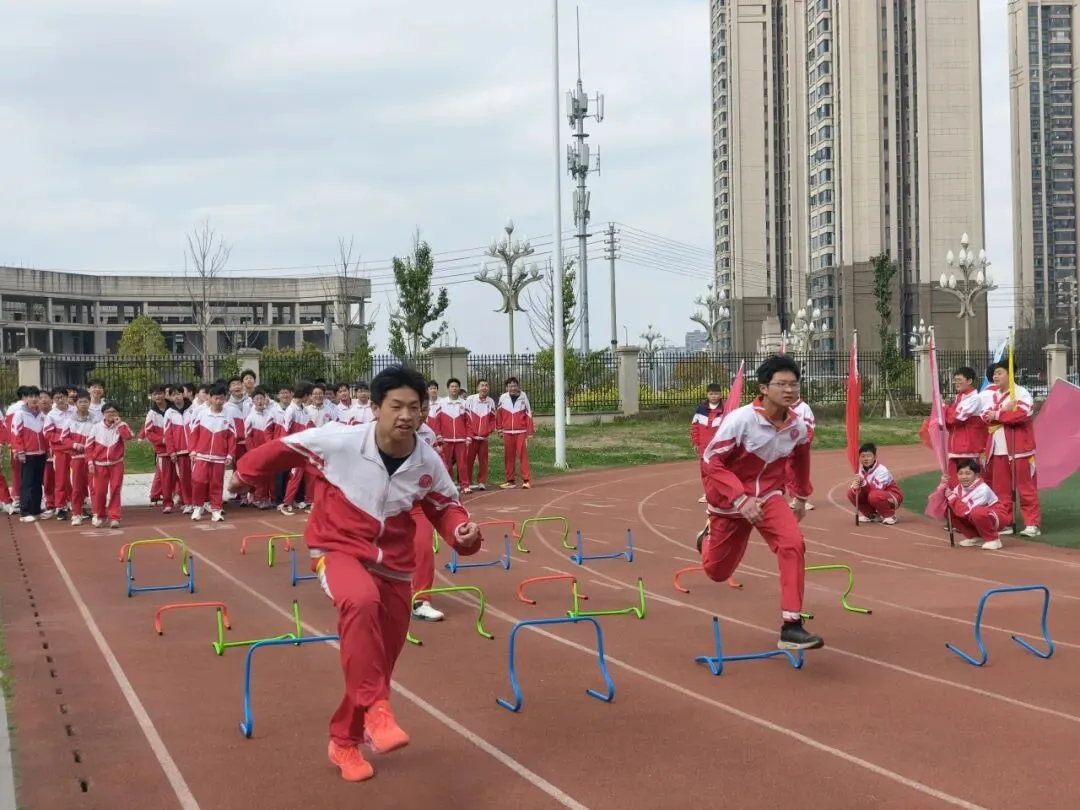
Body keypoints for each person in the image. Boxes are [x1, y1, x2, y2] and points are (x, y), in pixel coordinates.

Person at [228, 366, 482, 784]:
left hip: (395, 565)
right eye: (396, 406)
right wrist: (244, 475)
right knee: (360, 601)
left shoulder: (427, 460)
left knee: (375, 662)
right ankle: (377, 711)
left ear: (423, 411)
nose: (405, 415)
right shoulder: (340, 441)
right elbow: (284, 448)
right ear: (376, 408)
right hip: (339, 548)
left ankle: (344, 740)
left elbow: (445, 507)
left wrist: (462, 533)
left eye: (414, 407)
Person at [698, 354, 822, 650]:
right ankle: (705, 540)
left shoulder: (797, 427)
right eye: (782, 384)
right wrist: (740, 498)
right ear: (764, 388)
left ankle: (791, 626)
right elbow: (711, 461)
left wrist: (801, 496)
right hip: (729, 503)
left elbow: (801, 461)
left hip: (768, 496)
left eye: (794, 384)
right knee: (717, 573)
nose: (789, 390)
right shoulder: (741, 420)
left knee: (793, 543)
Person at [979, 362, 1040, 537]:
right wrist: (1003, 411)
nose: (995, 377)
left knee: (1025, 488)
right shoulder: (993, 395)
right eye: (994, 374)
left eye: (999, 373)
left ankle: (1032, 524)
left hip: (1019, 449)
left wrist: (998, 414)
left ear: (1010, 373)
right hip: (997, 450)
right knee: (1001, 490)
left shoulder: (1020, 392)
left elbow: (1023, 414)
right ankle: (1005, 521)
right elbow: (984, 416)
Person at [937, 458, 1008, 550]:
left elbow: (966, 511)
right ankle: (975, 537)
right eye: (960, 473)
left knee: (976, 512)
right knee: (948, 509)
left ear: (976, 475)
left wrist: (952, 497)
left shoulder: (983, 489)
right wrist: (943, 485)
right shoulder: (959, 488)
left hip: (997, 517)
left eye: (968, 473)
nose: (964, 477)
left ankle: (993, 539)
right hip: (977, 515)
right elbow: (943, 501)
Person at [188, 383, 236, 522]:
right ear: (210, 397)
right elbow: (194, 434)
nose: (219, 401)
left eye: (221, 398)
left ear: (225, 398)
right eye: (216, 398)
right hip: (201, 455)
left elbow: (232, 437)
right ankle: (197, 507)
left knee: (216, 484)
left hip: (219, 457)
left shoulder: (228, 416)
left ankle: (216, 509)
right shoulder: (202, 414)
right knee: (198, 481)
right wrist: (192, 451)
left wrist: (230, 454)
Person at [86, 403, 134, 528]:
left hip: (116, 464)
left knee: (115, 490)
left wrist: (120, 425)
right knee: (99, 492)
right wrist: (90, 461)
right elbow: (89, 446)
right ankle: (101, 516)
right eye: (108, 412)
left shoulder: (122, 426)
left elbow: (128, 437)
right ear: (103, 414)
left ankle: (114, 517)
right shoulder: (96, 427)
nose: (111, 414)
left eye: (114, 412)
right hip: (99, 465)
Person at [944, 366, 986, 486]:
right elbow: (949, 421)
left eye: (959, 380)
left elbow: (956, 417)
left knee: (970, 485)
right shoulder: (959, 398)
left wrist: (944, 408)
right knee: (953, 484)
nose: (956, 383)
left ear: (969, 381)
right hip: (955, 448)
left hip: (968, 449)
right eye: (955, 380)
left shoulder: (974, 398)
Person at [846, 442, 904, 524]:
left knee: (874, 495)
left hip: (892, 497)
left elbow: (876, 489)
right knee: (851, 493)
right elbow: (860, 489)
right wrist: (855, 487)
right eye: (863, 456)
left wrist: (863, 483)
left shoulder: (882, 470)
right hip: (874, 495)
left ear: (875, 457)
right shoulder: (859, 469)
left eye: (869, 456)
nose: (865, 459)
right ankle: (871, 515)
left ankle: (890, 515)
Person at [690, 383, 725, 504]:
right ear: (707, 395)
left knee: (718, 470)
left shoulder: (725, 410)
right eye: (711, 394)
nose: (713, 396)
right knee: (705, 471)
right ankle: (709, 493)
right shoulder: (700, 410)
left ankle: (721, 493)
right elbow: (695, 426)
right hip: (704, 446)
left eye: (716, 394)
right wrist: (695, 442)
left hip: (718, 447)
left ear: (721, 395)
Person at [496, 376, 533, 489]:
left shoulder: (523, 396)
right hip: (507, 432)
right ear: (507, 387)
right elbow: (499, 414)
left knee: (522, 455)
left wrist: (529, 432)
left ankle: (526, 480)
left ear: (518, 386)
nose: (513, 388)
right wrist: (499, 429)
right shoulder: (503, 397)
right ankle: (510, 480)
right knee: (508, 457)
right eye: (510, 386)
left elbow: (529, 414)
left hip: (521, 431)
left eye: (515, 386)